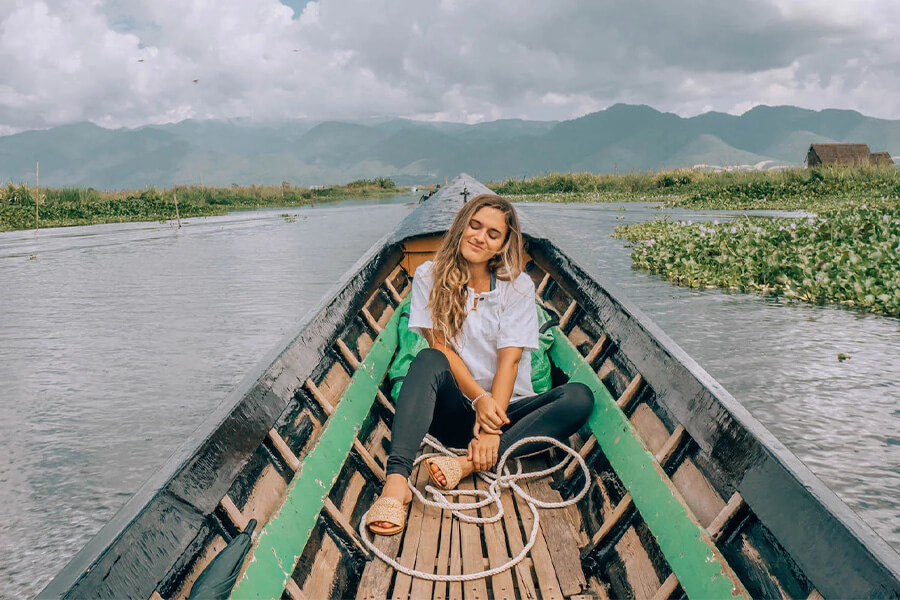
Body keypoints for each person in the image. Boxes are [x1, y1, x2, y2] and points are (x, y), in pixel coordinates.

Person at [366, 193, 594, 535]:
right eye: (475, 226)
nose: (479, 237)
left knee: (578, 397)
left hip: (509, 416)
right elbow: (440, 345)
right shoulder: (429, 275)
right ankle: (396, 484)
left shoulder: (516, 287)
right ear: (461, 228)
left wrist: (491, 427)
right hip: (455, 412)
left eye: (492, 234)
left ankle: (470, 463)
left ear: (502, 246)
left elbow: (510, 361)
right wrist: (479, 399)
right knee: (429, 359)